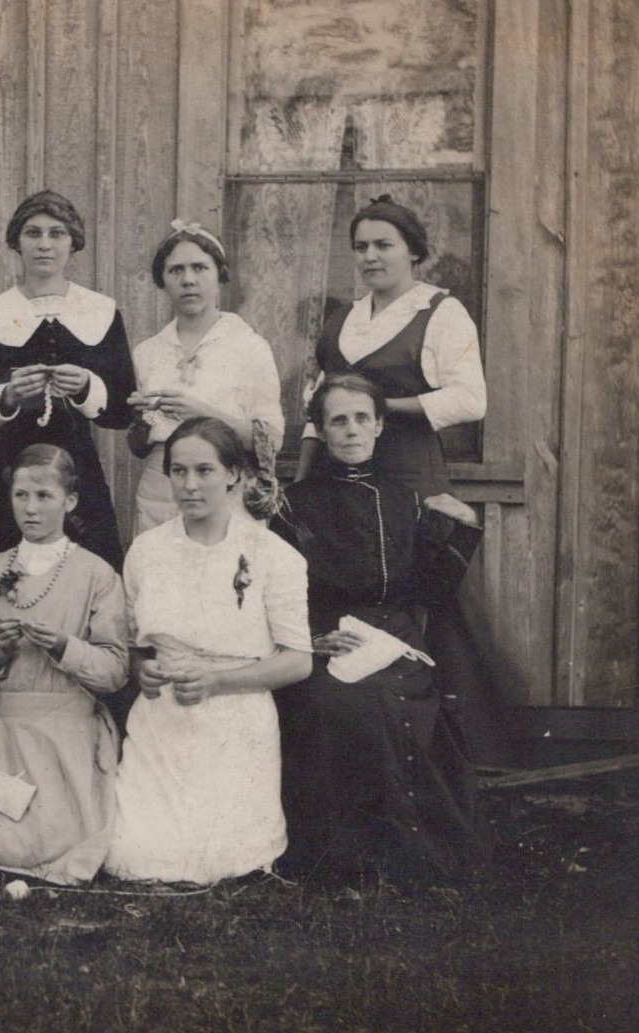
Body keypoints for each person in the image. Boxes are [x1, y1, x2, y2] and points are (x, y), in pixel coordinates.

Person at [271, 374, 489, 881]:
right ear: (322, 432)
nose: (351, 431)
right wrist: (309, 639)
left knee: (395, 699)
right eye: (338, 421)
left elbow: (429, 592)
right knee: (343, 701)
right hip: (321, 638)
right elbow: (274, 595)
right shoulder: (293, 505)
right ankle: (348, 854)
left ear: (379, 426)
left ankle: (403, 851)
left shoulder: (405, 501)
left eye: (361, 418)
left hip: (395, 637)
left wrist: (464, 527)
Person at [106, 418, 313, 885]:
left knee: (223, 859)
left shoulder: (271, 555)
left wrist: (216, 681)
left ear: (234, 475)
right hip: (162, 718)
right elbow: (137, 645)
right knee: (134, 856)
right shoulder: (146, 550)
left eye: (204, 471)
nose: (190, 485)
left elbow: (299, 661)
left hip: (234, 717)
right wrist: (144, 670)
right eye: (178, 472)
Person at [0, 445, 130, 885]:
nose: (30, 508)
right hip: (3, 729)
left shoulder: (97, 574)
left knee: (55, 841)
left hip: (66, 732)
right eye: (21, 495)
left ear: (70, 501)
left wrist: (66, 647)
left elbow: (116, 671)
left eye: (44, 496)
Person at [0, 190, 136, 570]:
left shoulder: (101, 311)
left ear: (73, 242)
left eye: (56, 234)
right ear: (16, 242)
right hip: (6, 468)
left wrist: (86, 387)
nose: (44, 244)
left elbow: (122, 411)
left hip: (76, 466)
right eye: (33, 233)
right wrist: (8, 396)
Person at [296, 195, 485, 497]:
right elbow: (316, 415)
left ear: (413, 251)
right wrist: (300, 485)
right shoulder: (343, 319)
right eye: (361, 247)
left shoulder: (441, 312)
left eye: (383, 245)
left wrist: (381, 406)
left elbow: (471, 400)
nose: (370, 256)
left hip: (409, 483)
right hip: (335, 487)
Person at [128, 221, 284, 532]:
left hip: (226, 488)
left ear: (219, 275)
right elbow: (138, 445)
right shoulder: (147, 352)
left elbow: (271, 440)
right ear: (163, 280)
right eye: (176, 271)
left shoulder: (249, 347)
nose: (188, 280)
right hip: (161, 490)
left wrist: (202, 415)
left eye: (200, 268)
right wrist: (141, 420)